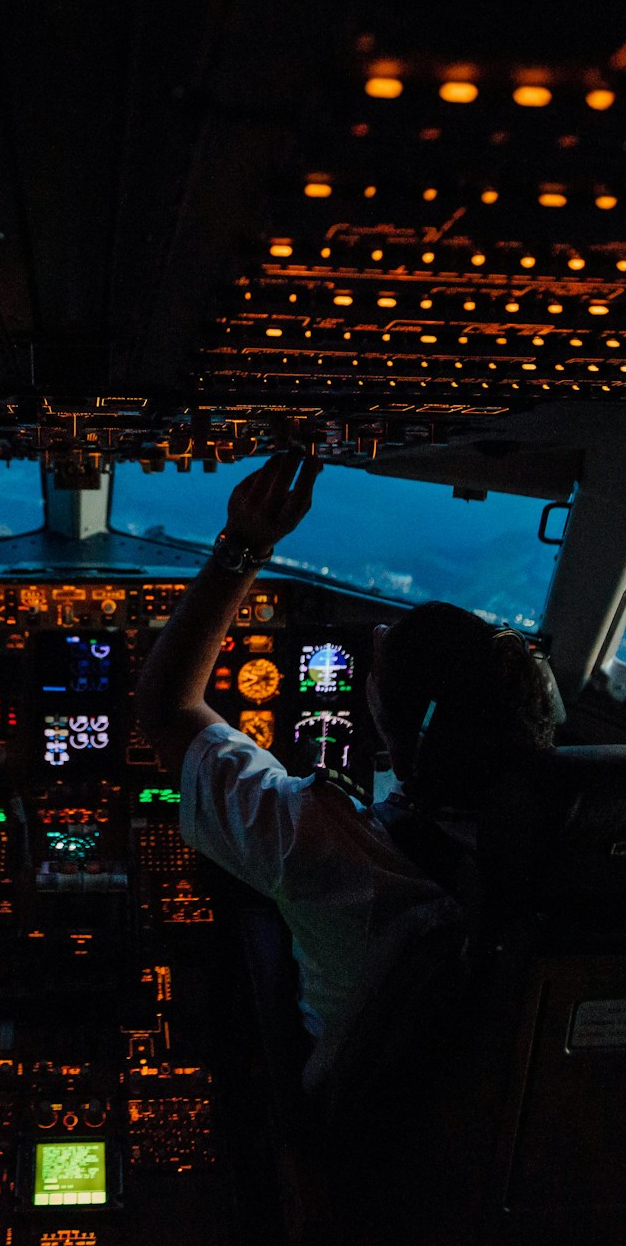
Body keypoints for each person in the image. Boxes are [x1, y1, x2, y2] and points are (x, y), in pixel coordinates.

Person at [134, 454, 560, 1085]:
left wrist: (244, 545)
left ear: (398, 736)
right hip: (478, 1118)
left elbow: (169, 706)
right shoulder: (584, 853)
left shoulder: (324, 844)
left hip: (340, 1100)